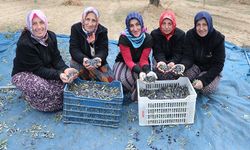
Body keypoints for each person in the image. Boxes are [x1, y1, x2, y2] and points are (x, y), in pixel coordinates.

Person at [11, 10, 78, 112]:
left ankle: (44, 95)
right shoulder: (24, 44)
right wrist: (59, 74)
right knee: (44, 89)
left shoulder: (51, 36)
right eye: (34, 24)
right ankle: (29, 97)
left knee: (66, 84)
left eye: (41, 22)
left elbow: (56, 59)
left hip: (44, 68)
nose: (39, 27)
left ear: (46, 23)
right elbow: (38, 69)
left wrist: (65, 70)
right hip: (25, 73)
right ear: (29, 26)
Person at [113, 12, 157, 101]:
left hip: (140, 61)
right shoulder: (124, 38)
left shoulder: (148, 38)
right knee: (119, 79)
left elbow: (143, 60)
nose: (135, 29)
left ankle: (136, 95)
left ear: (142, 24)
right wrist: (140, 72)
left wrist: (147, 71)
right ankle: (129, 88)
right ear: (128, 27)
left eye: (137, 24)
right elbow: (128, 61)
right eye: (131, 26)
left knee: (143, 78)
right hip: (123, 61)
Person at [181, 11, 225, 94]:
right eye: (198, 25)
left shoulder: (218, 38)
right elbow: (187, 57)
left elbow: (218, 65)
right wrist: (183, 65)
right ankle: (197, 76)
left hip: (210, 69)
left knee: (205, 88)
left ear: (210, 24)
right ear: (195, 25)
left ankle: (207, 78)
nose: (201, 28)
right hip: (195, 66)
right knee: (182, 78)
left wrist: (203, 81)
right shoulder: (190, 35)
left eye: (204, 24)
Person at [69, 6, 113, 82]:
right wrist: (84, 59)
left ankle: (91, 74)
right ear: (83, 19)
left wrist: (98, 58)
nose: (90, 24)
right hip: (81, 61)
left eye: (93, 20)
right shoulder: (75, 28)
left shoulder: (102, 31)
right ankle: (90, 75)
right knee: (73, 75)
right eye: (87, 19)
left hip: (97, 63)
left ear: (97, 22)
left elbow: (104, 50)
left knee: (110, 79)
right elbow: (74, 49)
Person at [151, 10, 185, 80]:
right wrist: (162, 61)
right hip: (159, 60)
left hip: (174, 61)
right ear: (160, 23)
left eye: (169, 24)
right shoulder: (155, 34)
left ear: (174, 24)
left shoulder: (180, 34)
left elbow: (178, 53)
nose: (166, 27)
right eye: (164, 23)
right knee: (157, 71)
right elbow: (157, 51)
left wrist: (173, 62)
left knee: (176, 73)